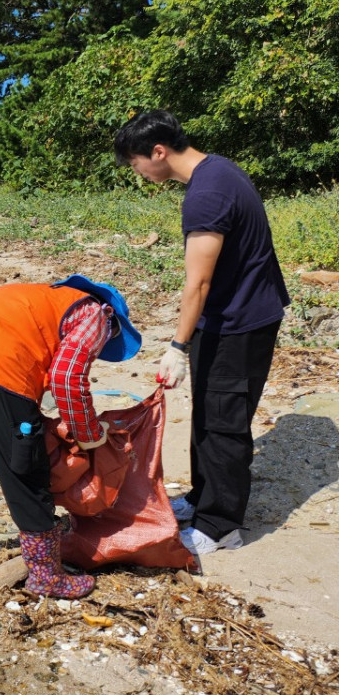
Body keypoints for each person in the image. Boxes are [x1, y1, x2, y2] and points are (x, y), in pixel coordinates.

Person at [114, 110, 289, 558]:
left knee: (225, 422)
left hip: (240, 321)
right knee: (208, 415)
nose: (136, 171)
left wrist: (177, 345)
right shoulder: (219, 170)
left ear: (158, 152)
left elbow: (199, 282)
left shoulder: (206, 195)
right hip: (234, 312)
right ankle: (200, 497)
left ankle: (221, 525)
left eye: (135, 162)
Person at [0, 275, 142, 597]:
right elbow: (67, 378)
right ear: (114, 320)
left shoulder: (41, 298)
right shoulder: (98, 314)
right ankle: (45, 575)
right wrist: (90, 435)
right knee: (26, 468)